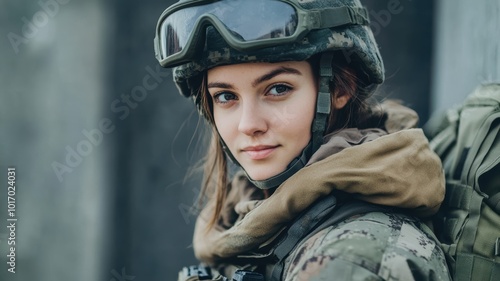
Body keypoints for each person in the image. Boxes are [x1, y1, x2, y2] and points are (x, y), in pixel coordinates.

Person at [154, 0, 452, 280]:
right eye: (226, 96)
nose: (249, 125)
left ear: (340, 88)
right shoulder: (250, 212)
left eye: (278, 89)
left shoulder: (350, 261)